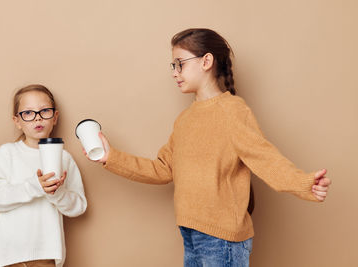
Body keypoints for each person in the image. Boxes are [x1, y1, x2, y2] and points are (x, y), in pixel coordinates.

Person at [85, 28, 331, 267]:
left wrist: (304, 183)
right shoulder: (185, 120)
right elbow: (162, 169)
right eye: (173, 65)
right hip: (190, 233)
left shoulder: (233, 110)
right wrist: (111, 157)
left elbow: (265, 158)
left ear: (206, 61)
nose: (175, 72)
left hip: (222, 240)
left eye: (180, 63)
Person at [0, 84, 87, 267]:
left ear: (55, 117)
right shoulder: (6, 153)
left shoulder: (64, 158)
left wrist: (57, 193)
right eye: (28, 113)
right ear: (17, 121)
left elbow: (79, 206)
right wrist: (35, 186)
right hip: (7, 257)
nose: (37, 118)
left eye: (44, 111)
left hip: (45, 256)